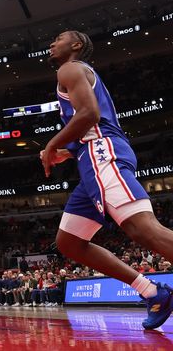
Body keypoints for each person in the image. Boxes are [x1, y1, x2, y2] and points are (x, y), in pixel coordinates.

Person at [42, 30, 173, 329]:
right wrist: (71, 152)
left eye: (58, 38)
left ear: (76, 46)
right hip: (92, 158)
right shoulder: (76, 73)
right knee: (70, 243)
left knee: (143, 230)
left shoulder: (70, 68)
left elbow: (90, 114)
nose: (51, 42)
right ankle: (153, 292)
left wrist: (52, 145)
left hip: (103, 154)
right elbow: (89, 123)